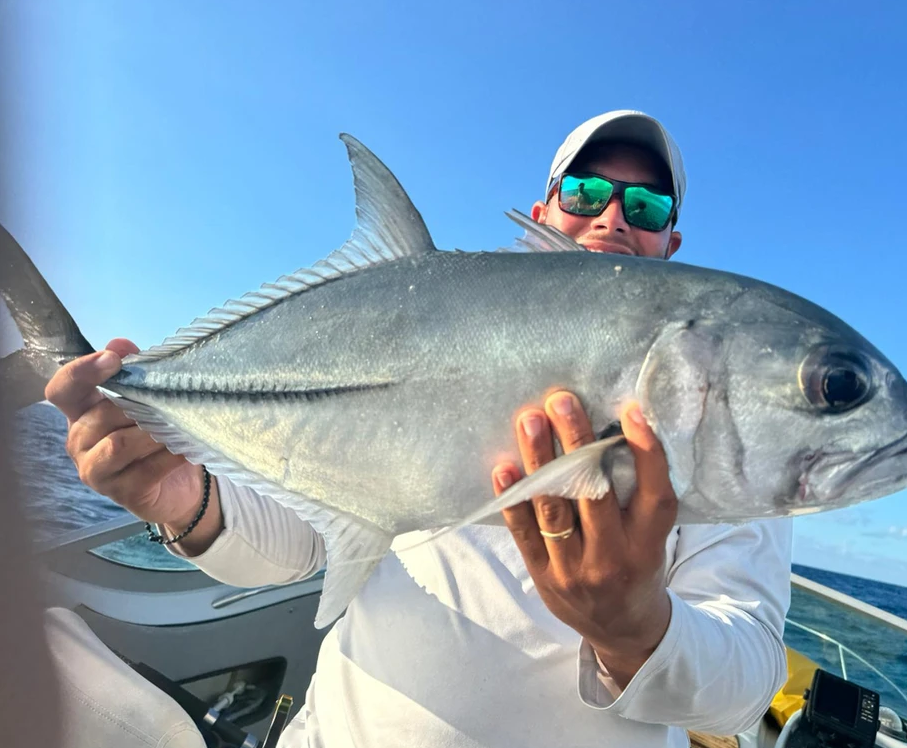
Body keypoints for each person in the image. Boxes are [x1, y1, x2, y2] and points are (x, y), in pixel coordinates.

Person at [45, 110, 793, 748]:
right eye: (586, 192)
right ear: (542, 216)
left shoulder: (718, 435)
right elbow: (297, 546)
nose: (612, 218)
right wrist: (184, 499)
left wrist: (636, 630)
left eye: (648, 207)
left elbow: (742, 688)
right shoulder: (428, 333)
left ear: (671, 245)